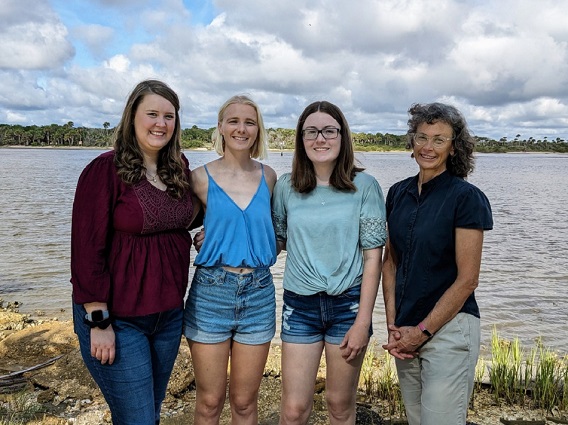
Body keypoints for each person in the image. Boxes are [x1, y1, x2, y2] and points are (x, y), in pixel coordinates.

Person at [70, 79, 199, 425]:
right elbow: (86, 251)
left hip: (168, 315)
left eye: (169, 116)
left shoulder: (179, 168)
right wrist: (98, 320)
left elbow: (190, 217)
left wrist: (210, 235)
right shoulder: (105, 171)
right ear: (132, 117)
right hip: (119, 317)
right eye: (152, 114)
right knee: (138, 419)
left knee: (149, 414)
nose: (161, 123)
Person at [272, 100, 387, 425]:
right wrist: (219, 234)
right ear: (301, 138)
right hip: (300, 307)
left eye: (329, 131)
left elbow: (373, 258)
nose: (320, 139)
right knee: (293, 410)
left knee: (339, 405)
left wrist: (363, 322)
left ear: (342, 136)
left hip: (348, 308)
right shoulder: (286, 186)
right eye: (311, 131)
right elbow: (276, 242)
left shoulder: (365, 187)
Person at [381, 102, 493, 425]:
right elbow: (391, 263)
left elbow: (468, 280)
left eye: (439, 139)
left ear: (454, 146)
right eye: (421, 137)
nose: (428, 147)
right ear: (412, 141)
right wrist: (394, 323)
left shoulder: (466, 198)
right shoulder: (397, 193)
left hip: (450, 329)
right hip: (405, 329)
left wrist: (423, 330)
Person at [183, 95, 278, 424]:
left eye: (249, 122)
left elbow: (276, 234)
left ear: (257, 129)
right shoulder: (197, 178)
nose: (241, 128)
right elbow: (170, 225)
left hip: (259, 292)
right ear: (220, 127)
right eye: (233, 121)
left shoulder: (269, 177)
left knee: (244, 403)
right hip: (211, 292)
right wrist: (204, 240)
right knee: (209, 402)